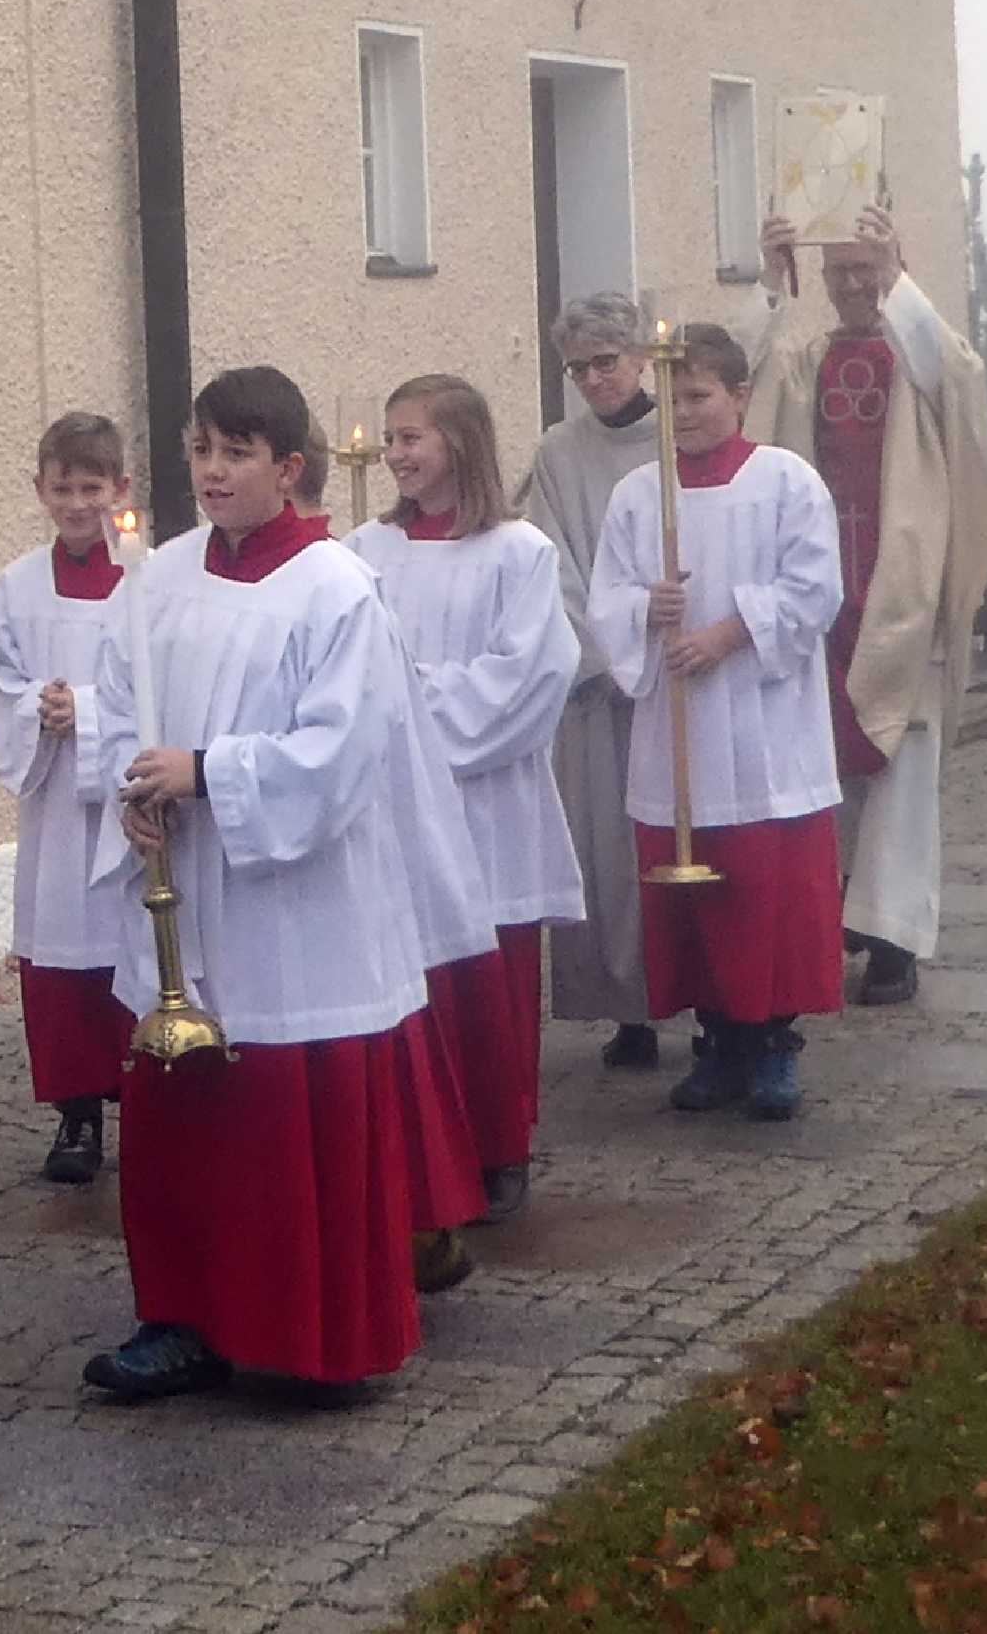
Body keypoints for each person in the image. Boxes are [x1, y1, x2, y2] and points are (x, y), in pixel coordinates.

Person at [83, 366, 493, 1402]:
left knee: (285, 1129)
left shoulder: (334, 589)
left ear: (289, 467)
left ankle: (310, 1340)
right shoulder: (161, 577)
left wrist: (206, 772)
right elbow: (117, 698)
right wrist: (131, 789)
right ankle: (179, 1318)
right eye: (200, 450)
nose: (212, 472)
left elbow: (341, 751)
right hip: (186, 890)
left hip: (297, 910)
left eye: (237, 453)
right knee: (184, 1126)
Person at [588, 321, 846, 1122]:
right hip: (679, 734)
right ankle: (718, 1041)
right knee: (694, 898)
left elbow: (816, 588)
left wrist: (729, 634)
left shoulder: (787, 481)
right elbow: (605, 598)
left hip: (764, 729)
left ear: (739, 394)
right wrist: (646, 608)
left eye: (698, 396)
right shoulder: (640, 494)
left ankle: (772, 1043)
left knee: (767, 893)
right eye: (671, 399)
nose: (684, 413)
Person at [746, 202, 987, 1004]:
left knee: (902, 767)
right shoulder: (808, 361)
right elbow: (745, 385)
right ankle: (840, 911)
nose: (854, 286)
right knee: (822, 764)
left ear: (891, 270)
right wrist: (769, 282)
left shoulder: (920, 361)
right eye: (841, 273)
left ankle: (894, 937)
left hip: (901, 594)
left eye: (867, 271)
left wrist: (899, 278)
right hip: (826, 597)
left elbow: (958, 378)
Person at [349, 376, 582, 1222]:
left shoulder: (520, 553)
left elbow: (531, 677)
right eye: (391, 437)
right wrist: (396, 709)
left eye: (411, 437)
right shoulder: (362, 552)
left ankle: (497, 1146)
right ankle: (416, 1154)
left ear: (462, 442)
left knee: (488, 986)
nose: (394, 454)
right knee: (410, 984)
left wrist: (412, 706)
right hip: (398, 808)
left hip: (487, 806)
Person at [0, 412, 136, 1183]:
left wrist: (94, 712)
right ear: (39, 489)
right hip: (54, 808)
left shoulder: (147, 580)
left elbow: (163, 680)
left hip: (127, 804)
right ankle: (77, 1115)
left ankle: (147, 1100)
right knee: (61, 959)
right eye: (62, 488)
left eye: (91, 488)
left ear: (120, 489)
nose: (77, 504)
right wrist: (37, 710)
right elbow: (0, 680)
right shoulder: (17, 585)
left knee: (130, 947)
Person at [521, 294, 665, 1066]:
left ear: (641, 358)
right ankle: (628, 1009)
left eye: (606, 363)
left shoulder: (678, 435)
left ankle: (710, 1004)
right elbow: (552, 562)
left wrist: (656, 645)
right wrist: (605, 654)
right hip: (600, 684)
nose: (593, 380)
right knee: (608, 849)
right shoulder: (559, 451)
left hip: (677, 670)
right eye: (577, 369)